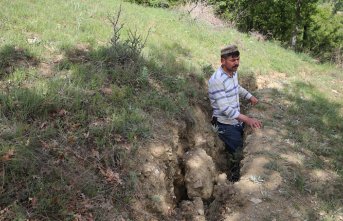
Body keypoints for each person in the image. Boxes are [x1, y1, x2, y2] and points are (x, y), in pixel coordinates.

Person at [208, 45, 262, 181]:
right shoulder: (217, 80)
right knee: (238, 153)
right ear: (222, 61)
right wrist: (247, 119)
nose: (236, 63)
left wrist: (250, 96)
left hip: (235, 120)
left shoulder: (233, 72)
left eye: (238, 59)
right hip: (224, 124)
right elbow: (224, 109)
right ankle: (234, 179)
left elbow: (236, 87)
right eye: (233, 60)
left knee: (244, 147)